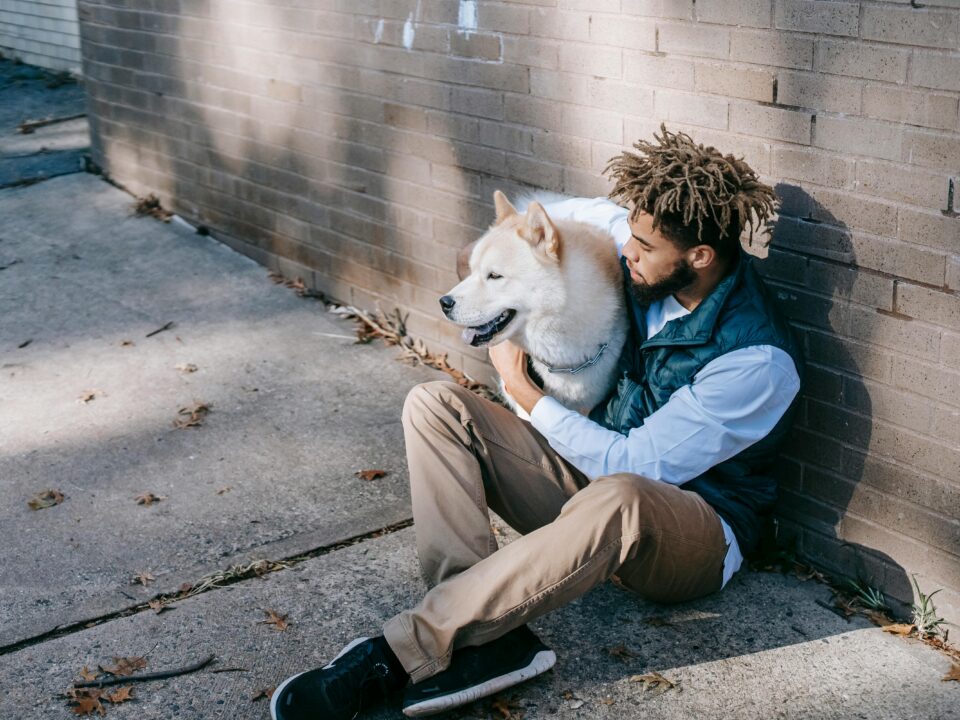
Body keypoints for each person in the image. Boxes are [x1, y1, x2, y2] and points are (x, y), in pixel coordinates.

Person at [271, 125, 804, 720]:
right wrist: (489, 267)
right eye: (630, 232)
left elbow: (636, 466)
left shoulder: (755, 361)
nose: (627, 250)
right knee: (436, 404)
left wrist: (523, 388)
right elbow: (531, 218)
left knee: (623, 493)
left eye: (644, 246)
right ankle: (485, 641)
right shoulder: (647, 256)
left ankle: (404, 650)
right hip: (591, 493)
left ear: (699, 258)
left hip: (693, 532)